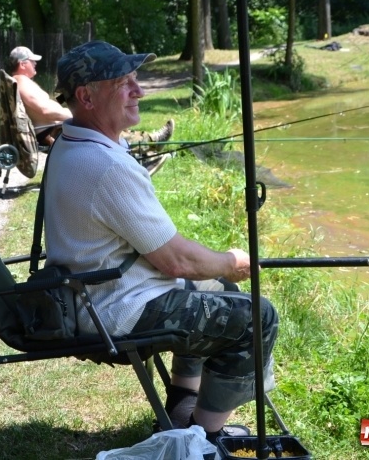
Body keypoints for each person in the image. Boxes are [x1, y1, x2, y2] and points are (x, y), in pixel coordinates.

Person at [43, 41, 279, 442]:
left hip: (91, 294)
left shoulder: (72, 143)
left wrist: (220, 271)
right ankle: (202, 440)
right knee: (256, 317)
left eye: (137, 80)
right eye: (124, 83)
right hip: (114, 309)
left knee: (220, 290)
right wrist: (231, 258)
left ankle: (182, 404)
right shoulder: (105, 166)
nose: (140, 91)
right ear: (86, 97)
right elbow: (177, 263)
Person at [7, 45, 174, 148]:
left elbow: (48, 106)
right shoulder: (22, 83)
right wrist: (76, 113)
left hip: (54, 128)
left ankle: (149, 141)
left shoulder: (22, 82)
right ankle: (151, 141)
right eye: (32, 61)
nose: (36, 63)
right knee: (101, 121)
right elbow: (44, 110)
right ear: (22, 64)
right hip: (52, 131)